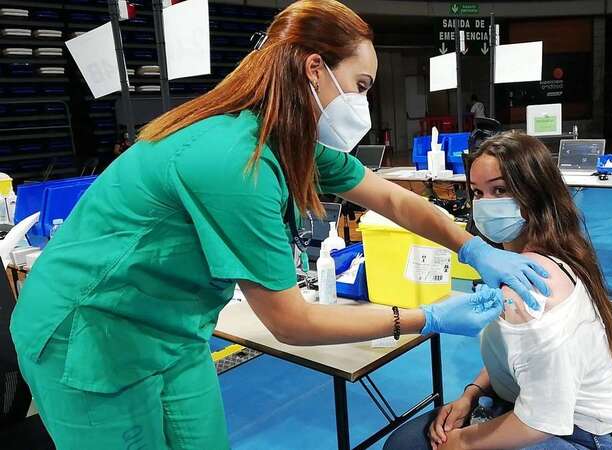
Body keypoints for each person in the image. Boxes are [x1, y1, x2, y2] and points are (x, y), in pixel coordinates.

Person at [9, 2, 552, 449]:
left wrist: (473, 247)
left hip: (173, 331)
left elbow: (391, 197)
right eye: (360, 85)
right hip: (89, 334)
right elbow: (290, 322)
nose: (362, 103)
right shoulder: (233, 160)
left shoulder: (291, 142)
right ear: (315, 68)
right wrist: (427, 316)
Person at [383, 131, 612, 450]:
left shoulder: (531, 279)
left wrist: (462, 443)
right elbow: (518, 358)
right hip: (534, 408)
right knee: (406, 443)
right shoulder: (519, 263)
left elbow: (543, 418)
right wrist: (472, 394)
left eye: (500, 190)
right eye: (478, 192)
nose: (485, 204)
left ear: (535, 193)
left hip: (586, 435)